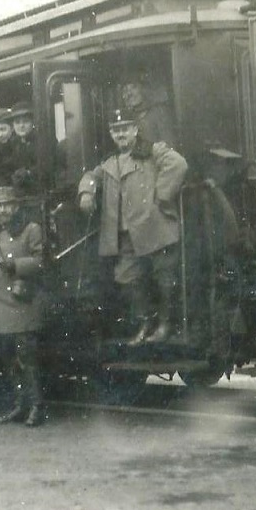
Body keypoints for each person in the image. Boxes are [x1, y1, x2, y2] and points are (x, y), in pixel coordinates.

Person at [77, 109, 188, 345]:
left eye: (125, 129)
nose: (120, 134)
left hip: (156, 230)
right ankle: (146, 323)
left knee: (164, 279)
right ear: (111, 134)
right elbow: (90, 176)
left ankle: (165, 325)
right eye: (116, 130)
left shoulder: (151, 151)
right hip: (125, 236)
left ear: (135, 130)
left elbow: (178, 164)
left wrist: (161, 198)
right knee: (126, 278)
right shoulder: (110, 162)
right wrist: (86, 192)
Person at [0, 186, 47, 427]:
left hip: (21, 303)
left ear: (16, 207)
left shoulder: (31, 229)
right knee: (8, 360)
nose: (2, 210)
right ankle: (19, 405)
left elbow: (41, 261)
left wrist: (16, 265)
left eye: (6, 205)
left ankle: (36, 406)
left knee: (26, 358)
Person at [119, 73, 177, 148]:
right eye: (125, 90)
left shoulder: (159, 112)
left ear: (143, 89)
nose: (129, 93)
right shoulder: (128, 118)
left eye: (134, 87)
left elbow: (170, 146)